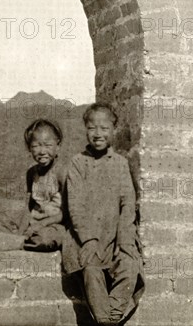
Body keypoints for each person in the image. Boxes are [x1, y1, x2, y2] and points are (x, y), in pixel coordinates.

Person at [62, 104, 145, 326]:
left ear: (113, 130)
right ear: (85, 130)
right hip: (86, 238)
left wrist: (124, 240)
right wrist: (88, 239)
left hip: (116, 236)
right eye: (92, 128)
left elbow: (128, 203)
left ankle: (108, 319)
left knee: (129, 267)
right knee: (91, 270)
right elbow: (75, 206)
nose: (98, 133)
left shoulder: (120, 164)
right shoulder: (78, 163)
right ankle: (107, 321)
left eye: (104, 128)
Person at [0, 118, 67, 252]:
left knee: (46, 239)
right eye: (36, 146)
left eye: (47, 145)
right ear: (29, 148)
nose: (42, 151)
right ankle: (21, 238)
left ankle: (20, 243)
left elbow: (68, 213)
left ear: (57, 146)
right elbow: (29, 207)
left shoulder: (61, 172)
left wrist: (42, 224)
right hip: (35, 222)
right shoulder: (31, 173)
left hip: (55, 224)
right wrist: (22, 229)